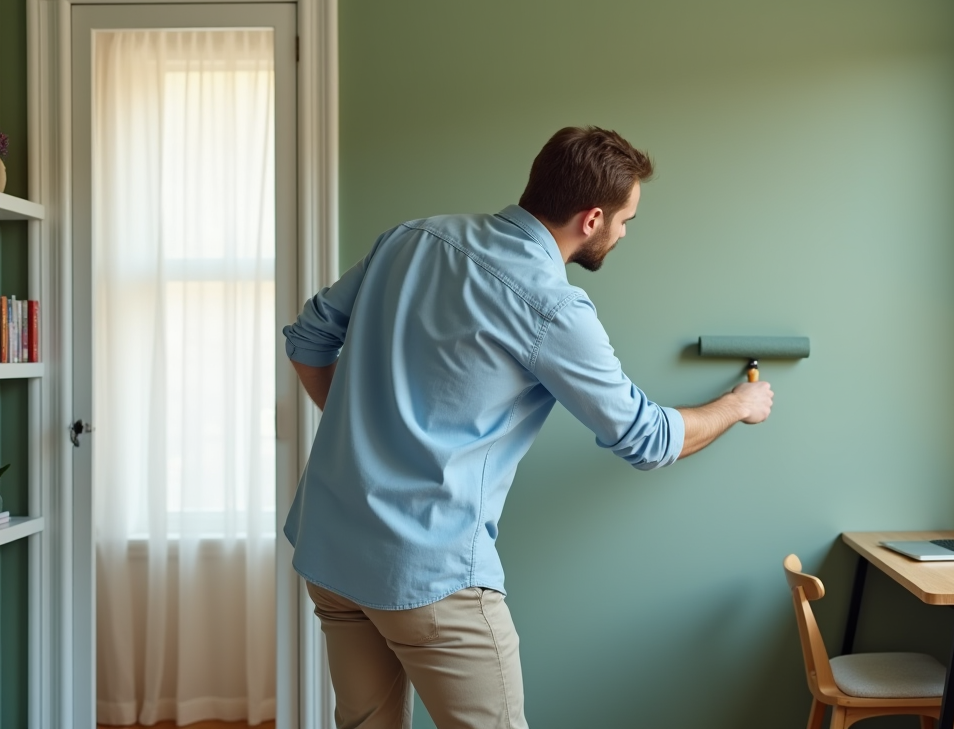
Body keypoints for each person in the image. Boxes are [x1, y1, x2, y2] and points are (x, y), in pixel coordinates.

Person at [282, 126, 774, 729]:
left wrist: (366, 428)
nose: (625, 233)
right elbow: (646, 439)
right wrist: (737, 405)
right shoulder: (552, 306)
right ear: (592, 220)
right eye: (626, 221)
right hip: (428, 571)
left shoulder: (412, 237)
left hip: (333, 547)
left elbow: (307, 341)